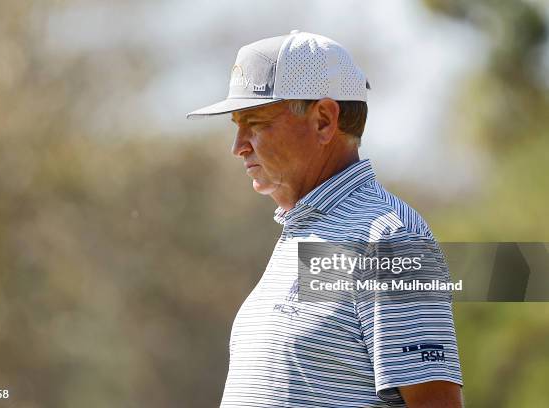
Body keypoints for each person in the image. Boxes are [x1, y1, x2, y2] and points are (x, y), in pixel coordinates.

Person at [187, 30, 463, 407]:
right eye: (236, 125)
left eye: (255, 122)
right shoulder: (305, 233)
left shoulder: (387, 240)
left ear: (323, 120)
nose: (237, 147)